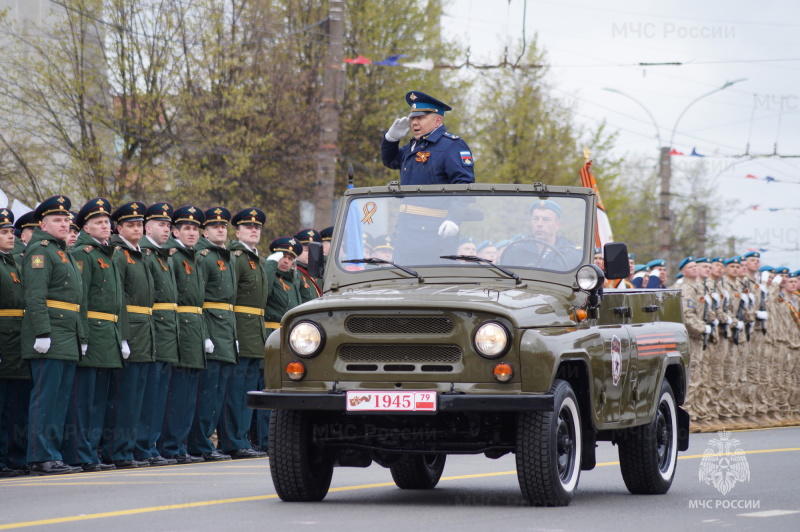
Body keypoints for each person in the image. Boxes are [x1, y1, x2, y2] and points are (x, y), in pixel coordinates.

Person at [21, 195, 83, 475]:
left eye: (66, 219)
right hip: (50, 334)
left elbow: (75, 299)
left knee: (59, 400)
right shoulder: (41, 251)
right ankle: (39, 455)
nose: (64, 223)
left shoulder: (63, 251)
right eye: (57, 219)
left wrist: (80, 336)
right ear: (43, 225)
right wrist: (43, 332)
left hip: (67, 334)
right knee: (45, 398)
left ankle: (52, 453)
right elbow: (35, 296)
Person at [61, 198, 122, 472]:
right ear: (85, 226)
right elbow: (80, 299)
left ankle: (91, 451)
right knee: (83, 400)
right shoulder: (84, 253)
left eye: (107, 222)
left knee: (98, 400)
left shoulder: (108, 252)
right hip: (92, 332)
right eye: (98, 222)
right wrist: (82, 336)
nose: (105, 226)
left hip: (108, 333)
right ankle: (78, 452)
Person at [104, 202, 155, 469]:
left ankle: (132, 447)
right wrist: (122, 335)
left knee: (137, 398)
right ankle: (117, 449)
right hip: (130, 331)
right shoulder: (119, 254)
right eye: (131, 225)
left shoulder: (139, 253)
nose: (136, 228)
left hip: (144, 331)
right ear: (119, 228)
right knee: (123, 397)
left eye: (139, 225)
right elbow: (119, 298)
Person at [217, 208, 269, 459]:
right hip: (239, 329)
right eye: (248, 227)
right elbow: (230, 296)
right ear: (237, 232)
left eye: (257, 227)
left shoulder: (255, 258)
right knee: (235, 391)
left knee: (247, 391)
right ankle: (232, 440)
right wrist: (233, 334)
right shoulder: (236, 257)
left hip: (254, 332)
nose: (254, 230)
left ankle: (242, 438)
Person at [187, 207, 237, 462]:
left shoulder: (224, 256)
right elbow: (199, 299)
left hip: (226, 328)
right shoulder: (204, 256)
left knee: (218, 391)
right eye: (215, 226)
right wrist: (205, 334)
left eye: (223, 226)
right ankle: (199, 441)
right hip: (211, 327)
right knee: (207, 391)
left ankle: (206, 440)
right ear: (204, 231)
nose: (221, 229)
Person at [160, 206, 207, 464]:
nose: (192, 232)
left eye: (195, 228)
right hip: (180, 326)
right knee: (178, 393)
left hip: (195, 327)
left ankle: (180, 444)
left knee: (189, 393)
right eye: (186, 228)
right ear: (175, 231)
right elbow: (173, 298)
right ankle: (171, 444)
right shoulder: (175, 256)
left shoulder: (192, 256)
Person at [135, 203, 180, 467]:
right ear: (147, 227)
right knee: (149, 392)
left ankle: (150, 443)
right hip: (152, 328)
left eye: (167, 225)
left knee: (159, 393)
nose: (166, 229)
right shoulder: (148, 254)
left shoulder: (163, 255)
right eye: (161, 225)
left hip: (166, 329)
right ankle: (142, 444)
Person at [256, 236, 303, 451]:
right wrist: (269, 265)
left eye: (291, 257)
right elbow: (261, 295)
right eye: (283, 256)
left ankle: (271, 439)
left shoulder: (291, 282)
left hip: (286, 337)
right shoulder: (270, 276)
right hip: (269, 334)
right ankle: (262, 439)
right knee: (267, 388)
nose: (286, 261)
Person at [381, 91, 475, 186]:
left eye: (420, 118)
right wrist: (390, 139)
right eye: (413, 118)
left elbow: (464, 187)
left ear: (437, 121)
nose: (414, 123)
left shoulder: (452, 145)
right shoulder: (413, 146)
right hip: (407, 201)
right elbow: (390, 160)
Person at [0, 209, 29, 477]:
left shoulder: (13, 263)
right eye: (4, 232)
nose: (11, 236)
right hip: (3, 340)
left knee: (15, 405)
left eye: (11, 231)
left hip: (17, 341)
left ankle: (13, 456)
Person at [499, 199, 583, 270]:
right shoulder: (515, 251)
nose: (539, 224)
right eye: (536, 219)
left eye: (546, 219)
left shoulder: (571, 254)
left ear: (558, 225)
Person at [294, 229, 323, 303]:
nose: (310, 254)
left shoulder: (319, 272)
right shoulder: (294, 271)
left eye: (313, 250)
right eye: (306, 250)